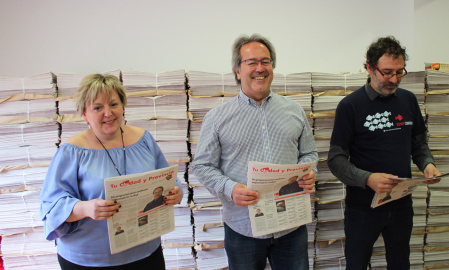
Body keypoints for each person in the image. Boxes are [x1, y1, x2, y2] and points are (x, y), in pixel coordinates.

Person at [192, 33, 318, 270]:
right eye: (252, 62)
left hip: (290, 226)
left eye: (265, 61)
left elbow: (309, 154)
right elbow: (202, 166)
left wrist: (310, 172)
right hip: (243, 228)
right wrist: (231, 188)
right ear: (238, 71)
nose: (260, 68)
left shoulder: (294, 110)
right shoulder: (217, 118)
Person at [39, 73, 183, 269]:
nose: (108, 113)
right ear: (84, 114)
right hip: (89, 259)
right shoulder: (71, 151)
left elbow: (168, 179)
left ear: (123, 106)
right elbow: (51, 207)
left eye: (114, 104)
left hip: (145, 252)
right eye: (98, 107)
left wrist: (176, 193)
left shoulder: (144, 140)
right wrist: (86, 208)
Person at [327, 36, 441, 269]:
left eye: (399, 72)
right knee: (357, 264)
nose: (394, 79)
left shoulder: (408, 100)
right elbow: (336, 160)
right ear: (370, 67)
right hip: (363, 207)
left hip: (401, 204)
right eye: (387, 72)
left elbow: (419, 145)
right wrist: (368, 178)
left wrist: (427, 164)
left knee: (400, 263)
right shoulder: (350, 106)